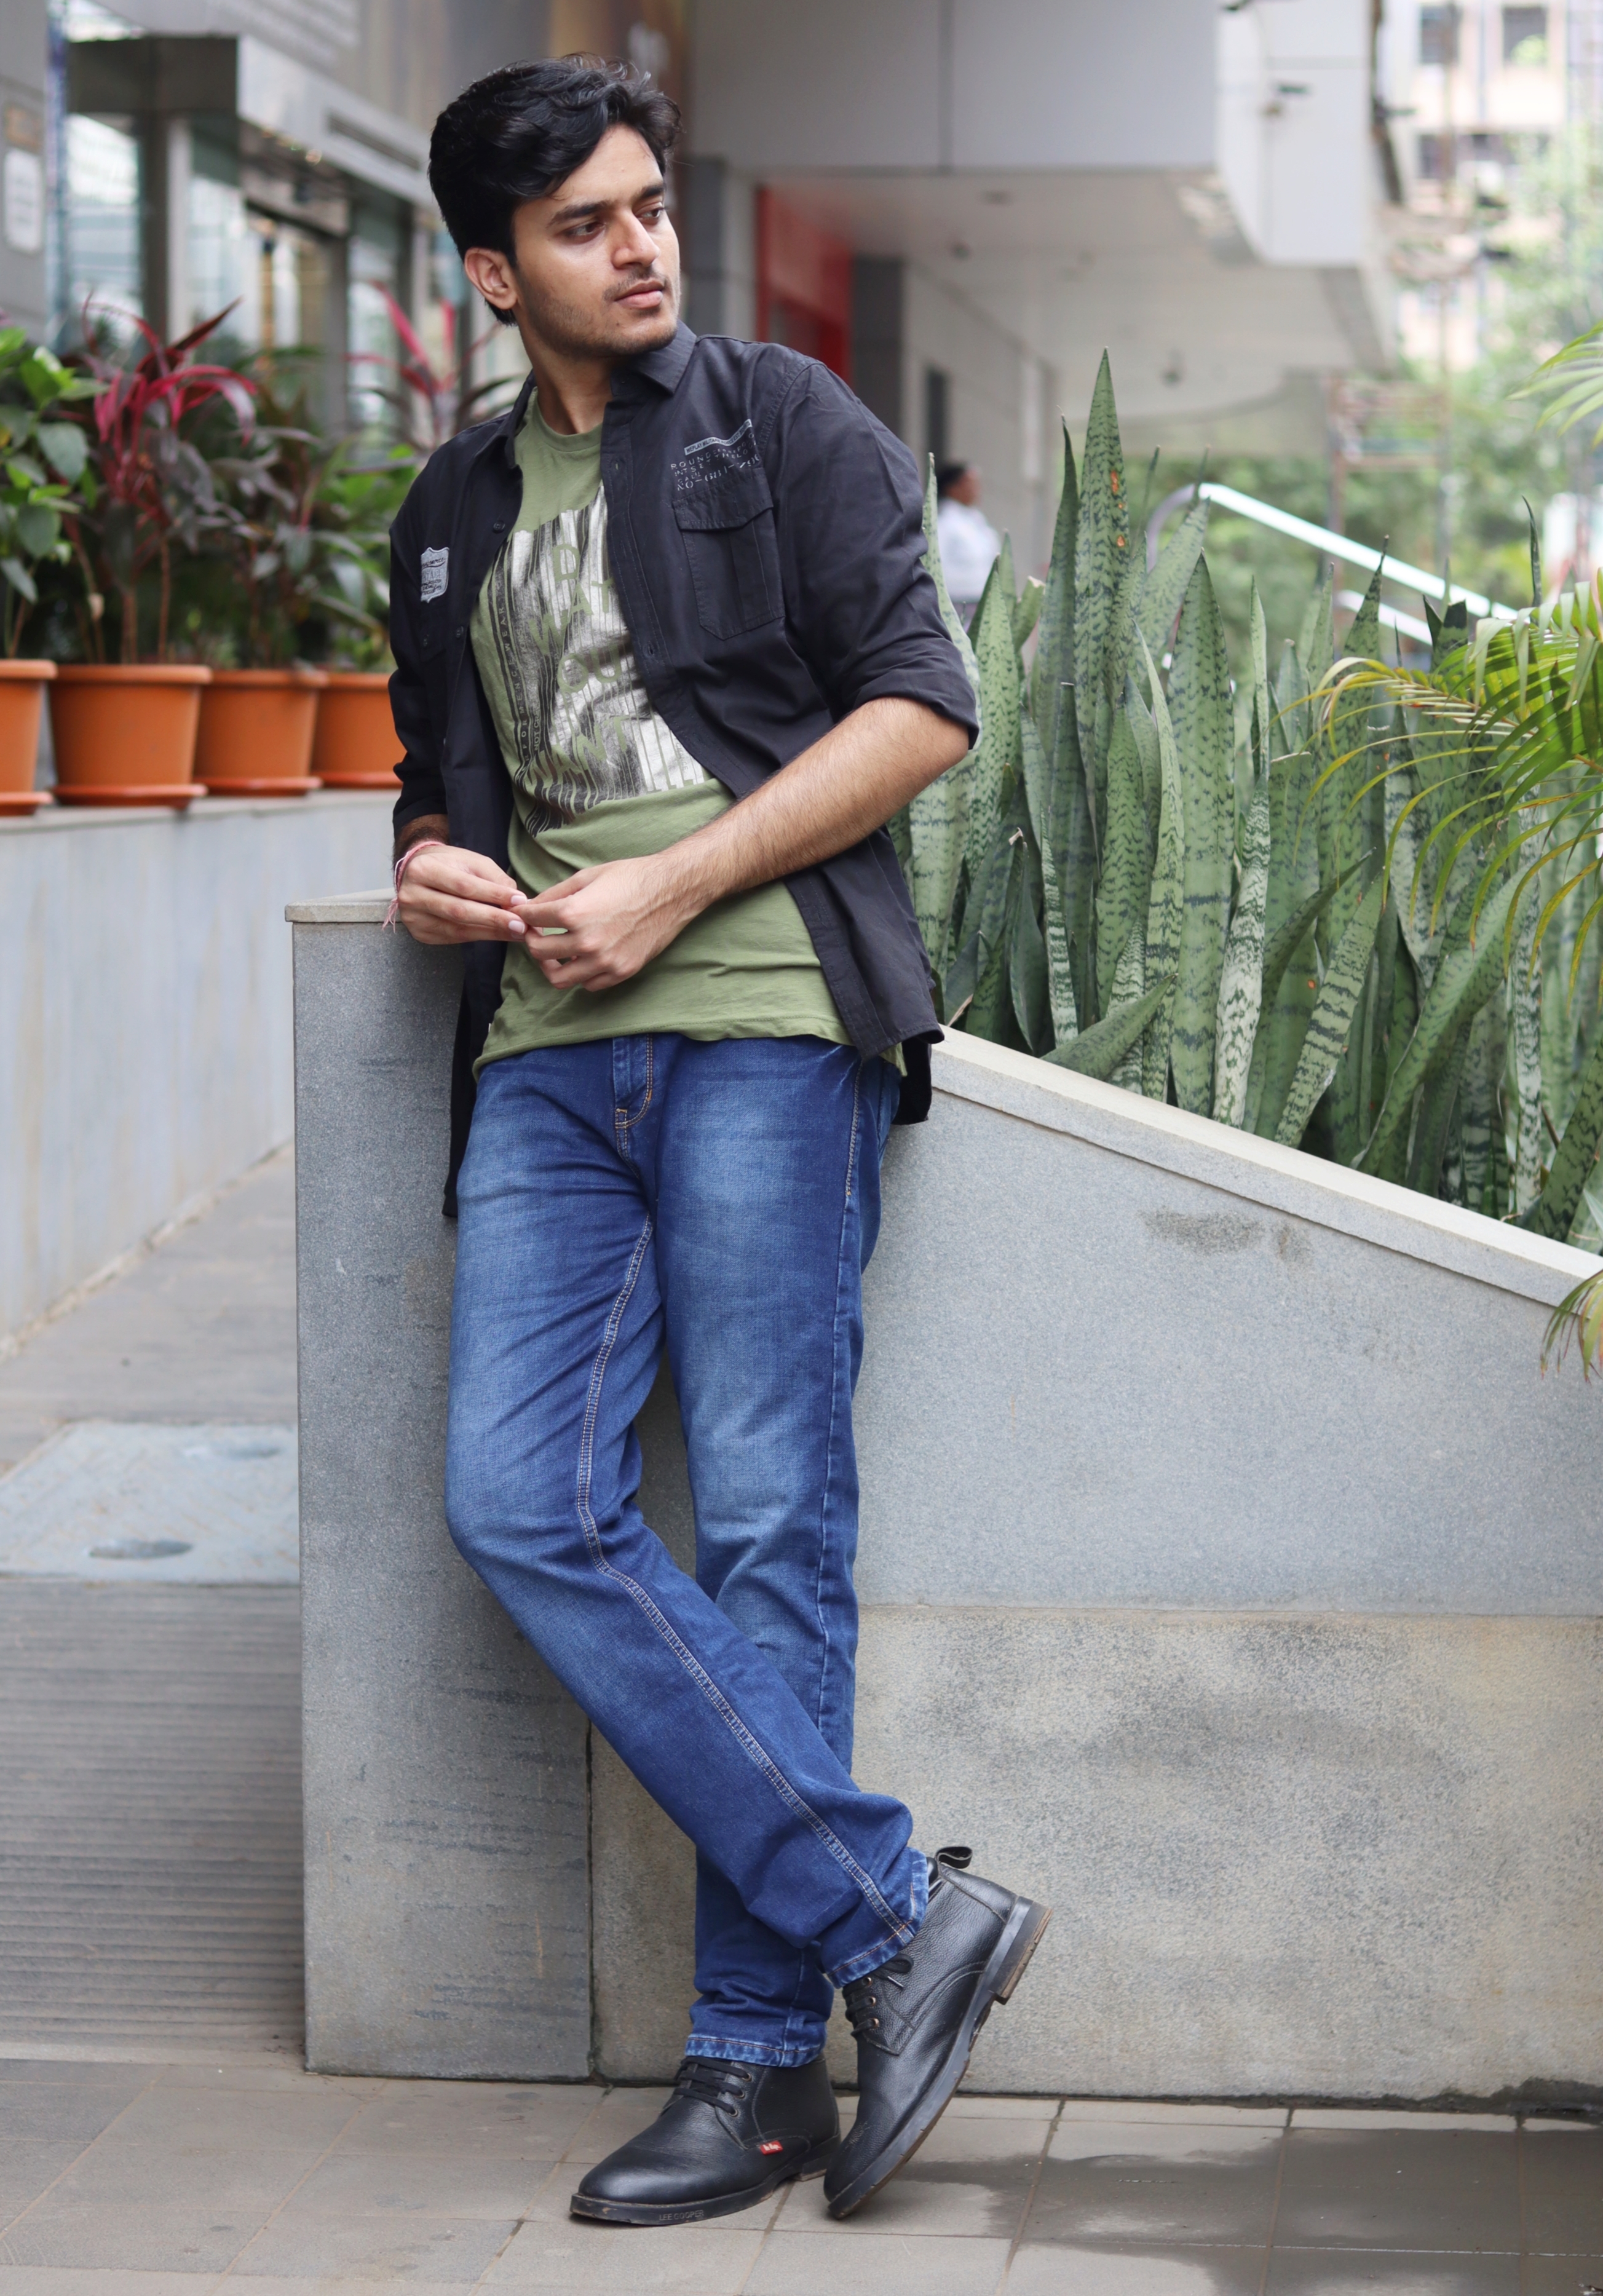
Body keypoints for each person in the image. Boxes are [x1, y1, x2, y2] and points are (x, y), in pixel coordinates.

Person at [389, 55, 1050, 2231]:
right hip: (541, 1051)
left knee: (769, 1522)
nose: (641, 246)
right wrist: (430, 864)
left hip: (764, 1019)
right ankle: (898, 1916)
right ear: (496, 272)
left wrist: (670, 884)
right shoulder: (452, 507)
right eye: (583, 224)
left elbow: (920, 704)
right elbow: (439, 775)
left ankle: (757, 2064)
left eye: (649, 205)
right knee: (519, 1498)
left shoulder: (782, 424)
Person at [935, 461, 1001, 622]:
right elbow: (937, 565)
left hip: (981, 601)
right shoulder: (943, 523)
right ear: (952, 488)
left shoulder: (976, 520)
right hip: (957, 603)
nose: (976, 489)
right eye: (969, 484)